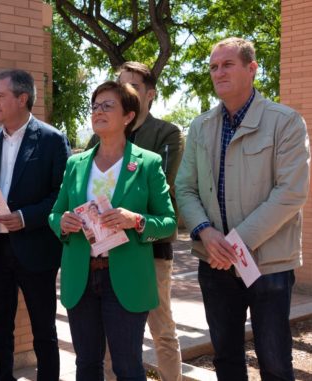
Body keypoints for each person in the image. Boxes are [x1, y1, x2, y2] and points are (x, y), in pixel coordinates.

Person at [175, 37, 309, 380]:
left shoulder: (286, 122)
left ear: (252, 69)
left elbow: (291, 192)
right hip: (213, 261)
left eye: (227, 64)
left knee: (275, 362)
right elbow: (184, 188)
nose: (218, 72)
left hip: (268, 264)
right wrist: (205, 232)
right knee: (227, 358)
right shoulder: (200, 126)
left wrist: (236, 242)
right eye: (213, 67)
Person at [50, 80, 176, 380]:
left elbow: (169, 221)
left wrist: (136, 220)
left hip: (126, 277)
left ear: (128, 116)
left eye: (108, 106)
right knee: (87, 364)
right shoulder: (76, 164)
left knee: (127, 366)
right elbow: (55, 213)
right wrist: (63, 224)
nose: (98, 112)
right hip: (82, 276)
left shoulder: (147, 163)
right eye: (95, 106)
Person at [0, 69, 70, 381]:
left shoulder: (52, 140)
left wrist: (25, 217)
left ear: (22, 98)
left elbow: (62, 194)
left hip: (36, 248)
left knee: (43, 327)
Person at [87, 61, 184, 381]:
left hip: (150, 251)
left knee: (162, 332)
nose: (125, 90)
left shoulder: (166, 134)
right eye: (120, 85)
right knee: (110, 345)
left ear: (150, 94)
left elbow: (164, 190)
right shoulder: (95, 140)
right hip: (103, 255)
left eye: (134, 87)